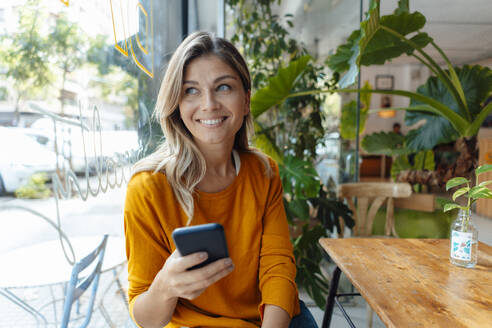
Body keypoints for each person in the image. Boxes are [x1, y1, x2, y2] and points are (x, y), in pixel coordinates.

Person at [124, 31, 318, 328]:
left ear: (246, 100)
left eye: (223, 87)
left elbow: (277, 268)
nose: (209, 104)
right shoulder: (148, 187)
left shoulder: (264, 172)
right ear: (176, 104)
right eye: (191, 91)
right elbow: (147, 320)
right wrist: (165, 287)